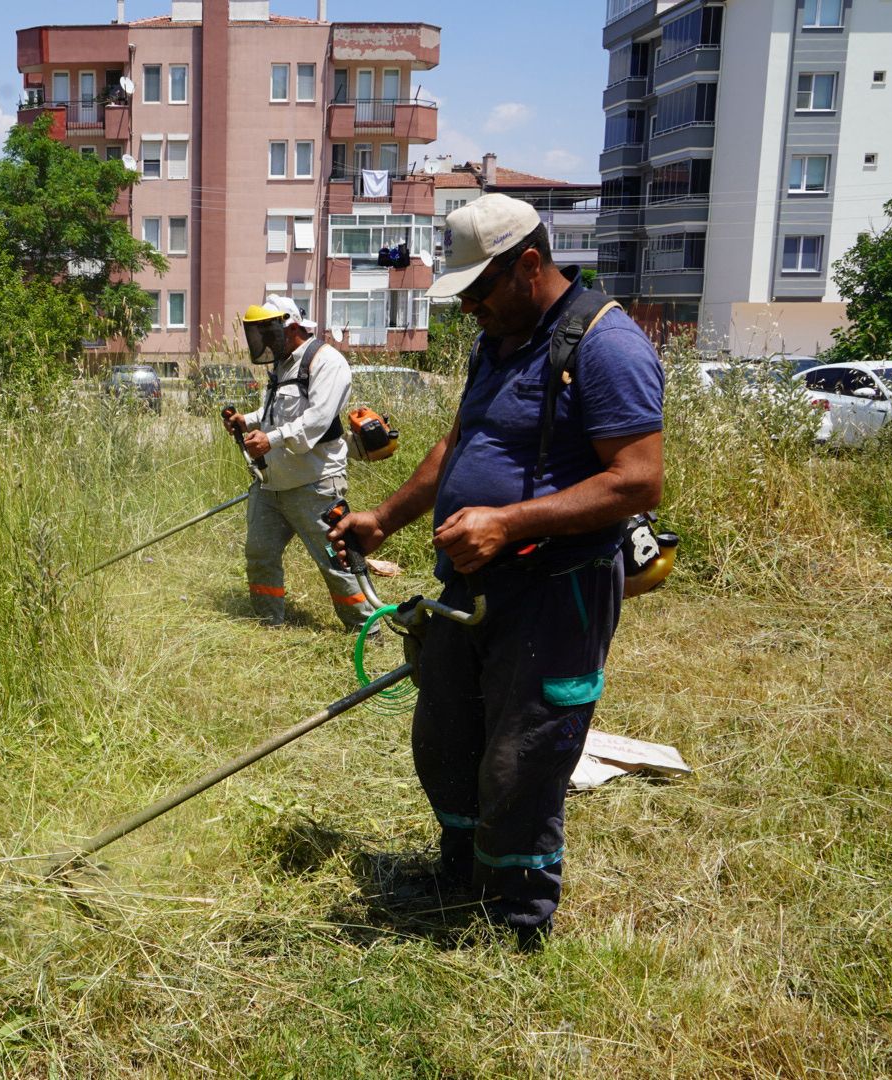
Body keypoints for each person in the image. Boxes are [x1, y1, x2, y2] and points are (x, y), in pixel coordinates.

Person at [326, 194, 665, 949]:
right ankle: (460, 876)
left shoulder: (607, 346)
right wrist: (386, 518)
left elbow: (639, 480)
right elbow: (458, 443)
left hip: (557, 591)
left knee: (523, 755)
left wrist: (508, 523)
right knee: (446, 737)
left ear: (531, 266)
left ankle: (513, 921)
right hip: (470, 589)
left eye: (479, 291)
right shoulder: (497, 340)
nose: (470, 307)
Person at [223, 296, 375, 632]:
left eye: (267, 330)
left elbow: (317, 420)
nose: (262, 340)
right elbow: (274, 415)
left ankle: (367, 630)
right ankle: (267, 623)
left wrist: (270, 439)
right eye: (258, 332)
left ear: (290, 327)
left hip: (315, 484)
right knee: (259, 554)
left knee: (337, 562)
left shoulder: (326, 363)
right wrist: (247, 421)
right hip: (271, 484)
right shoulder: (280, 366)